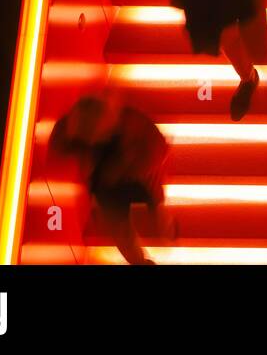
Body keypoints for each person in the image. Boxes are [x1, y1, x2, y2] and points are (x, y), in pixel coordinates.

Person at [47, 94, 174, 265]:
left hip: (137, 175)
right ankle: (141, 260)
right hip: (109, 186)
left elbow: (157, 151)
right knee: (118, 225)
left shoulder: (132, 125)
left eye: (96, 134)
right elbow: (60, 145)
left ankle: (161, 223)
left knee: (149, 200)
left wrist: (123, 167)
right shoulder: (82, 127)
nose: (93, 139)